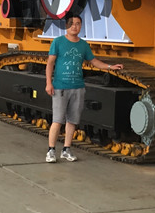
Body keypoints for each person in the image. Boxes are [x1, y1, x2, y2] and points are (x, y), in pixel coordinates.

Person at [45, 14, 123, 163]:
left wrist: (109, 67)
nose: (75, 26)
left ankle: (66, 149)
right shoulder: (58, 42)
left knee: (72, 121)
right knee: (57, 120)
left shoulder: (83, 45)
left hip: (78, 88)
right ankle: (51, 150)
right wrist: (49, 83)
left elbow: (93, 61)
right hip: (60, 87)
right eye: (72, 23)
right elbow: (50, 63)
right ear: (66, 26)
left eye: (78, 24)